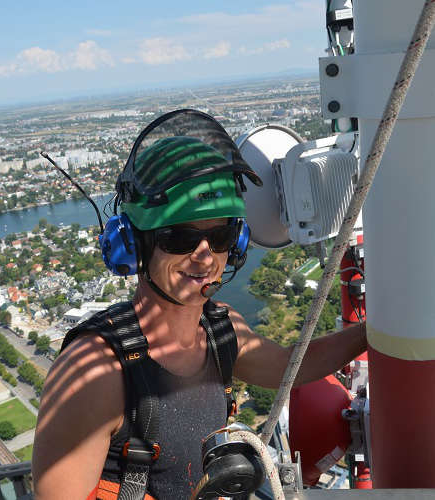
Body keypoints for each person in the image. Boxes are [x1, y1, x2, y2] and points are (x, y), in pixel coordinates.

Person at [32, 109, 366, 500]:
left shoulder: (221, 331)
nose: (205, 257)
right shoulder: (95, 369)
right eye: (179, 237)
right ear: (134, 245)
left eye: (221, 235)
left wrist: (377, 332)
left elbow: (291, 364)